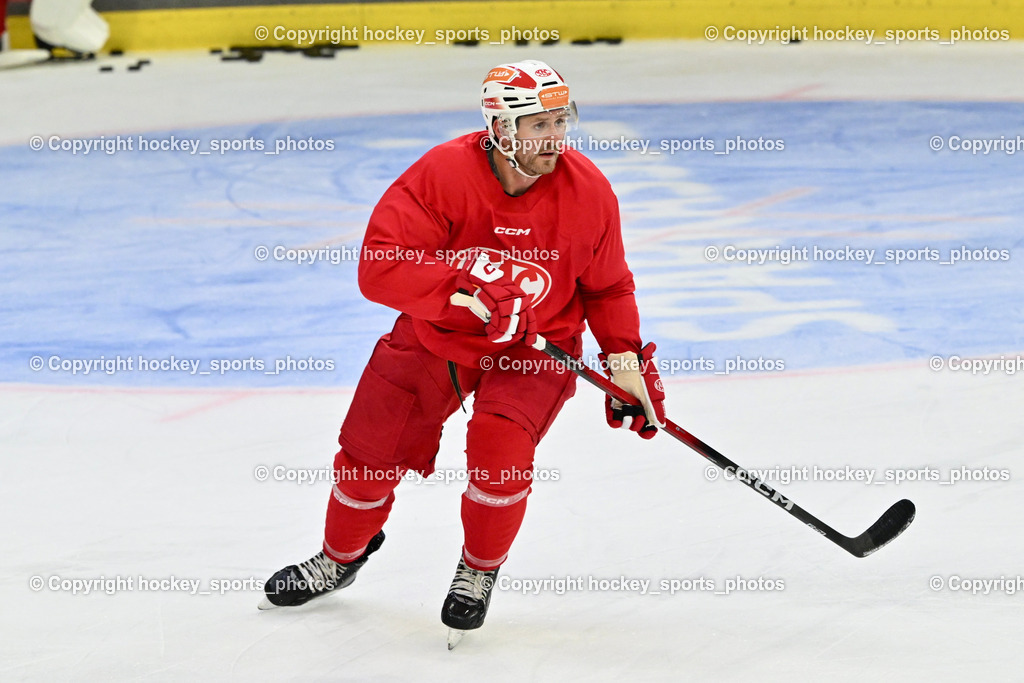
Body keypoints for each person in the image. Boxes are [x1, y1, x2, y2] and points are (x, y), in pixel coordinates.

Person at [260, 59, 667, 646]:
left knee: (499, 452)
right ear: (501, 127)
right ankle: (339, 557)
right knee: (368, 456)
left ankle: (477, 571)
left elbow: (606, 286)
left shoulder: (589, 191)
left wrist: (626, 365)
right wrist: (466, 293)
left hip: (538, 349)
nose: (554, 139)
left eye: (560, 122)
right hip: (437, 338)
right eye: (538, 126)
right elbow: (379, 268)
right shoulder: (443, 173)